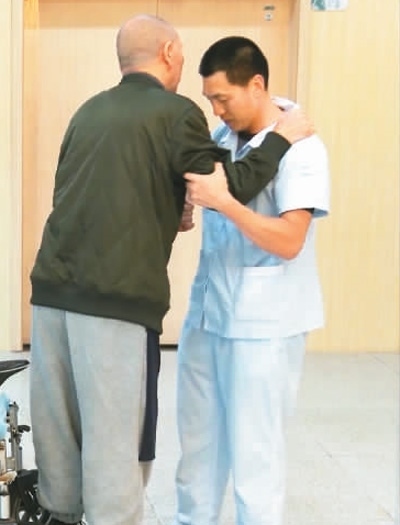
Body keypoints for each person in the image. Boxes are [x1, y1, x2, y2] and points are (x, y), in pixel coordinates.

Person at [28, 14, 314, 525]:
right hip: (115, 303)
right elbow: (230, 187)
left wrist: (167, 205)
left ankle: (59, 515)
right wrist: (282, 138)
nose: (212, 106)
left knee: (59, 436)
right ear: (168, 53)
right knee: (114, 442)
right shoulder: (176, 112)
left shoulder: (88, 111)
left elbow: (79, 193)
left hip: (50, 295)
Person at [174, 36, 330, 525]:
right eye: (210, 100)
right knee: (197, 449)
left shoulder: (302, 148)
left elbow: (289, 240)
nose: (217, 110)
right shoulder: (221, 138)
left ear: (256, 84)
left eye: (223, 98)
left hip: (265, 325)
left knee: (254, 457)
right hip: (207, 314)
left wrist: (224, 203)